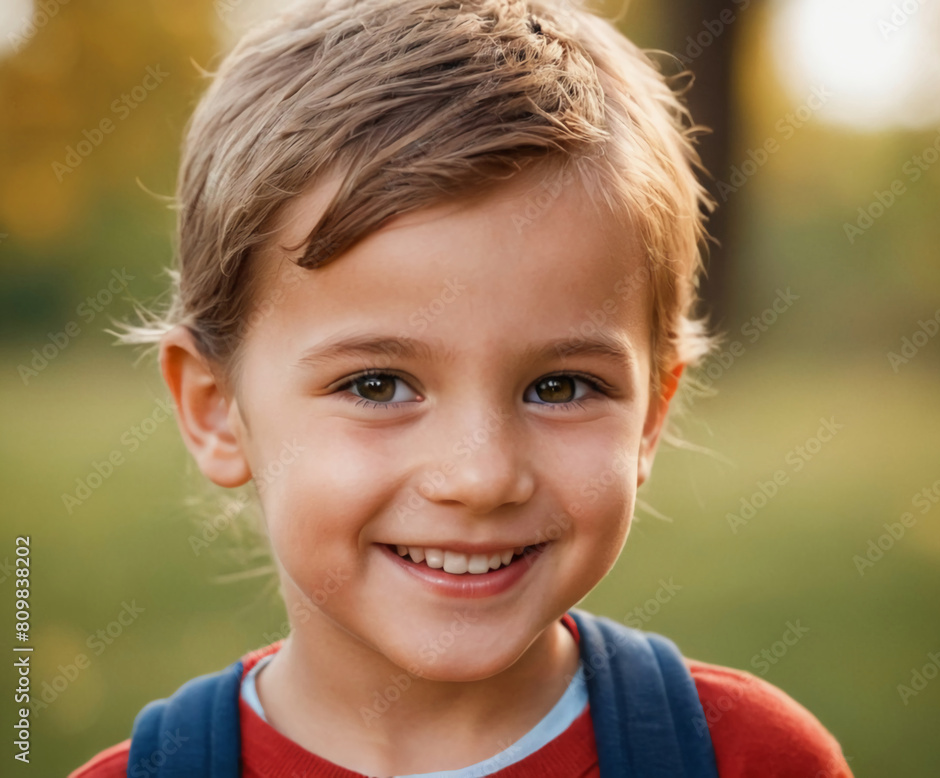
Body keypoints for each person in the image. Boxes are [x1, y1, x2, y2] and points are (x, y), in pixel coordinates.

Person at [71, 0, 853, 775]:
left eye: (559, 386)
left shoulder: (751, 759)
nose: (480, 477)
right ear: (215, 410)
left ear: (651, 413)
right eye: (378, 385)